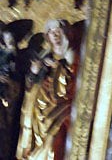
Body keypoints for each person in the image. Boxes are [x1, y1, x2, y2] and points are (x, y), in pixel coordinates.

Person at [16, 20, 79, 160]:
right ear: (48, 37)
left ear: (64, 33)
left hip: (59, 105)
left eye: (57, 32)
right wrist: (34, 72)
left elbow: (74, 82)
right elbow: (30, 84)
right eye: (51, 33)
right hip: (37, 108)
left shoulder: (71, 56)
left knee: (54, 136)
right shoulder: (45, 55)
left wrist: (59, 67)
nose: (55, 36)